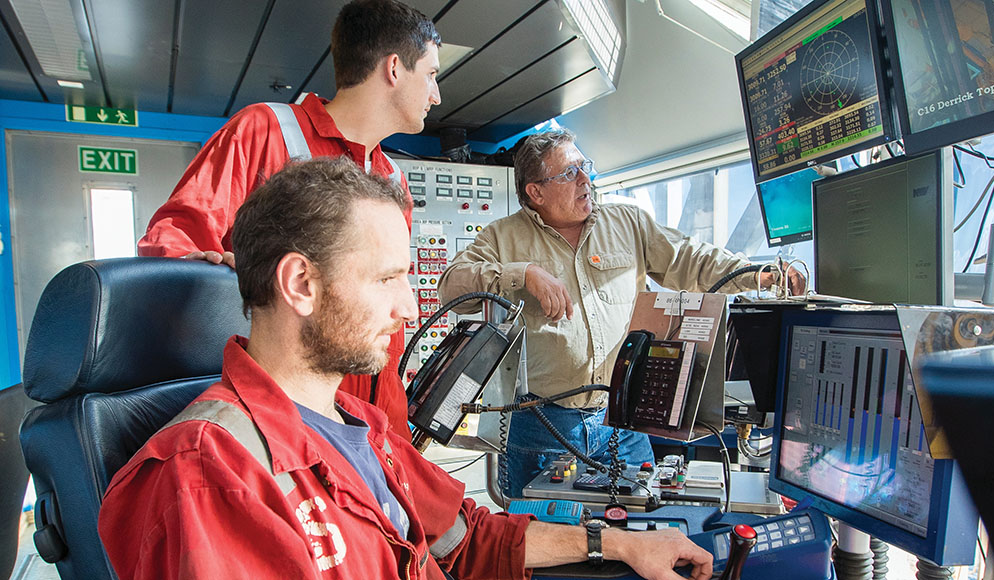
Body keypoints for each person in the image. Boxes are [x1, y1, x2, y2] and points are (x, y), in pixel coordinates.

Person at [98, 157, 715, 580]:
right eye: (387, 279)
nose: (406, 308)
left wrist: (621, 543)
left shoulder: (362, 425)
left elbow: (469, 540)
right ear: (300, 283)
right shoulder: (208, 474)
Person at [438, 129, 805, 497]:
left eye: (584, 167)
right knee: (542, 536)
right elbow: (451, 287)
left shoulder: (627, 224)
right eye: (569, 173)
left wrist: (760, 275)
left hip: (623, 418)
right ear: (536, 192)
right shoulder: (501, 238)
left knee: (635, 526)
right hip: (542, 424)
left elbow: (691, 259)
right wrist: (524, 273)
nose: (585, 180)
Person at [135, 0, 442, 440]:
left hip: (368, 426)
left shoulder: (392, 179)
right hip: (280, 424)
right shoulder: (265, 130)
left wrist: (393, 433)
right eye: (431, 75)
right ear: (394, 68)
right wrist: (211, 272)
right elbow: (172, 244)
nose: (436, 95)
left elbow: (386, 320)